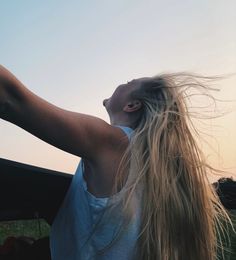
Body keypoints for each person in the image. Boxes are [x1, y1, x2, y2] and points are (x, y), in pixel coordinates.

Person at [0, 65, 232, 260]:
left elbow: (10, 98)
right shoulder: (155, 172)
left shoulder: (112, 142)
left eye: (128, 82)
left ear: (131, 105)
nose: (122, 83)